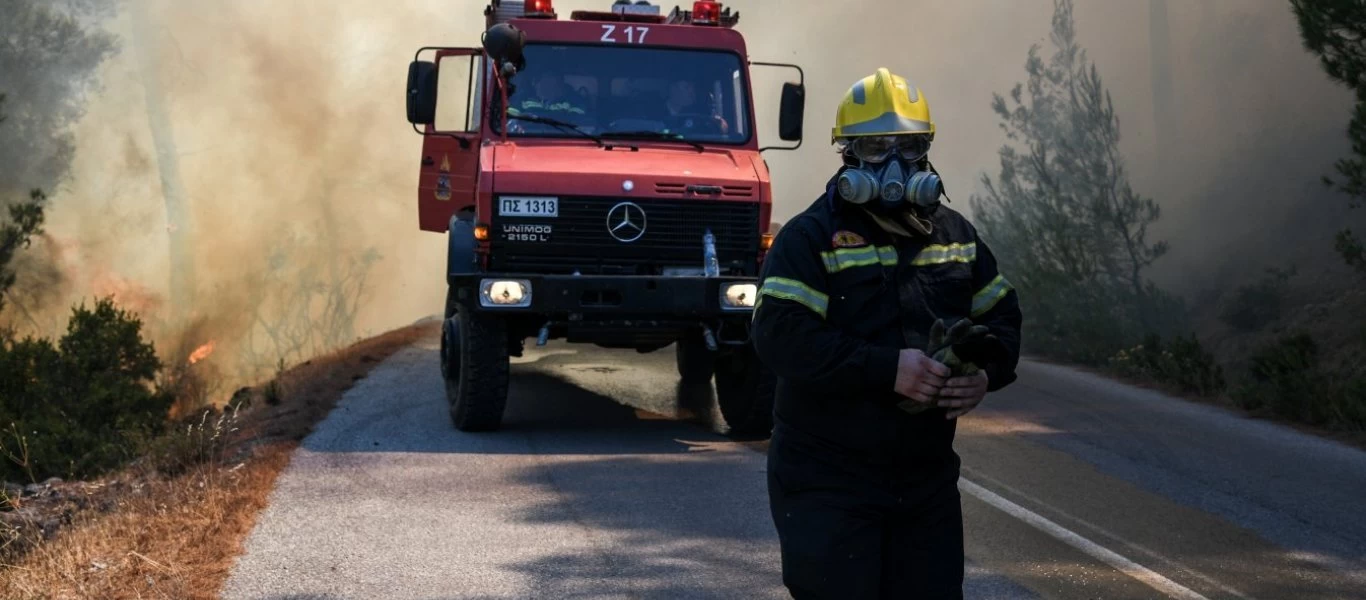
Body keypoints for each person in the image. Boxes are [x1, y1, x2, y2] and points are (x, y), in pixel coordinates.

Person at [751, 67, 1023, 599]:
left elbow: (1002, 315)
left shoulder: (956, 236)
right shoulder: (810, 238)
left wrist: (987, 374)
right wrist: (886, 369)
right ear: (847, 155)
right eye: (876, 148)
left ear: (927, 152)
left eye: (909, 146)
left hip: (925, 483)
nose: (895, 164)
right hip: (827, 480)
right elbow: (779, 336)